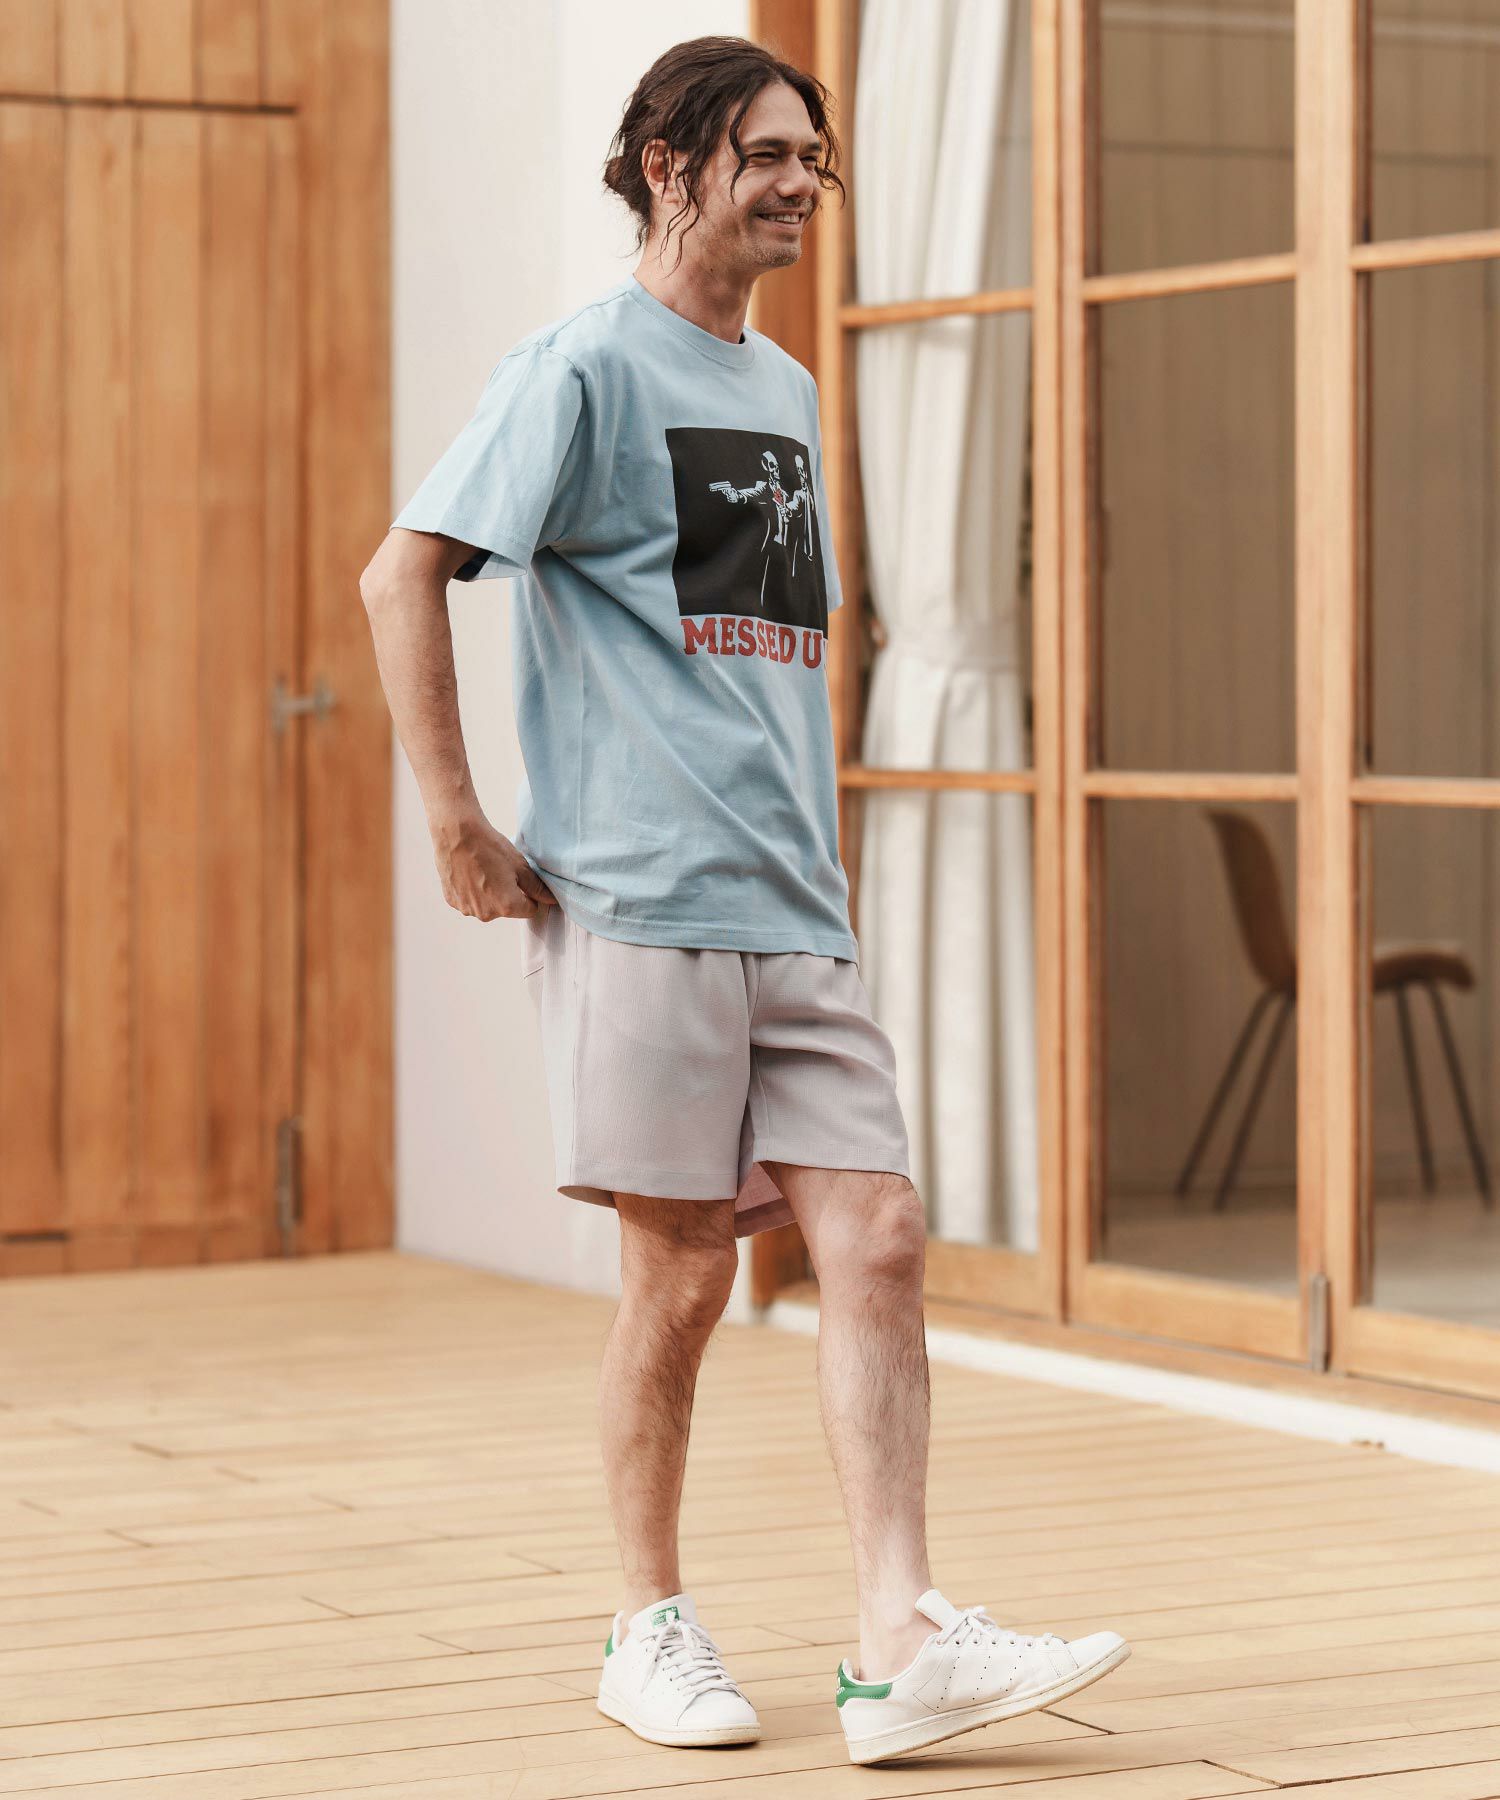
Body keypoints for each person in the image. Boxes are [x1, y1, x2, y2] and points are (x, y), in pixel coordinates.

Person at [358, 33, 1128, 1770]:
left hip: (796, 896)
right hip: (640, 896)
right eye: (764, 154)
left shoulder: (782, 387)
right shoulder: (577, 368)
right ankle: (647, 1626)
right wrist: (457, 820)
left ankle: (901, 1636)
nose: (798, 184)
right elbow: (402, 575)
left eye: (811, 158)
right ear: (664, 163)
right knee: (683, 1275)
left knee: (882, 1233)